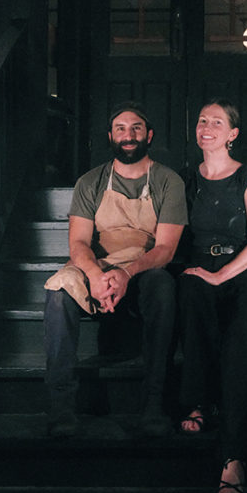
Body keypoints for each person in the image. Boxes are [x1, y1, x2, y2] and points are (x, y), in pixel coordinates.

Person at [44, 101, 187, 438]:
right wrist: (96, 276)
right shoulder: (90, 182)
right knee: (58, 292)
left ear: (149, 135)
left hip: (142, 267)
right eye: (120, 129)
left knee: (163, 288)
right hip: (97, 265)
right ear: (110, 136)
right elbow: (79, 243)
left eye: (136, 128)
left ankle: (153, 404)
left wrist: (126, 274)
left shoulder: (168, 181)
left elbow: (165, 250)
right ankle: (60, 407)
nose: (128, 135)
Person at [178, 98, 247, 493]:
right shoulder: (186, 178)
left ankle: (234, 462)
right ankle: (196, 399)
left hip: (241, 273)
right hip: (200, 268)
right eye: (202, 121)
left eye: (217, 122)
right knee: (189, 290)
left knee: (236, 349)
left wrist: (222, 275)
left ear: (232, 133)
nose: (207, 127)